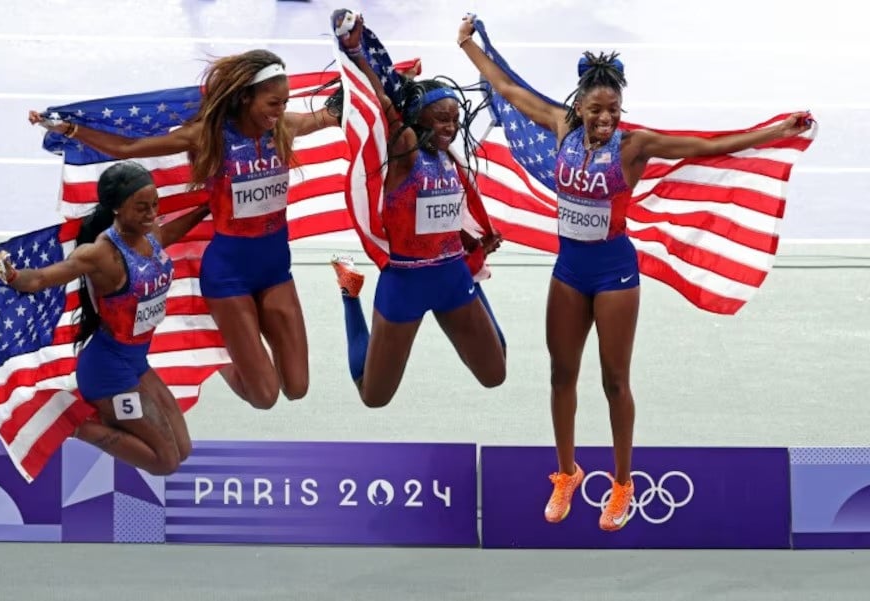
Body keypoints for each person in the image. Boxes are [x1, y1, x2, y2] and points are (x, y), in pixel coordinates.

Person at [456, 15, 813, 531]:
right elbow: (508, 87)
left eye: (613, 110)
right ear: (579, 106)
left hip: (615, 275)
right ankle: (566, 473)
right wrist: (468, 45)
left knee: (614, 380)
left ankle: (622, 484)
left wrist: (776, 130)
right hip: (569, 271)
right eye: (597, 109)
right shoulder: (561, 127)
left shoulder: (635, 145)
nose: (605, 118)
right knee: (561, 373)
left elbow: (711, 147)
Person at [29, 49, 340, 410]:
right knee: (265, 397)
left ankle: (225, 341)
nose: (280, 110)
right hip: (228, 277)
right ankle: (215, 352)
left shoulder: (284, 128)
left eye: (285, 102)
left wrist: (381, 78)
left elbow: (335, 114)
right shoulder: (209, 138)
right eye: (273, 102)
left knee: (297, 387)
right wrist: (70, 128)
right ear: (244, 97)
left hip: (275, 271)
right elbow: (131, 146)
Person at [329, 10, 507, 408]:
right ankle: (348, 293)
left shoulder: (451, 161)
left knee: (496, 374)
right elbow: (382, 102)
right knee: (373, 396)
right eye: (441, 118)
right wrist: (356, 50)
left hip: (451, 276)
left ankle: (471, 284)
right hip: (404, 282)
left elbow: (446, 214)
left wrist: (474, 246)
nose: (451, 126)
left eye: (456, 120)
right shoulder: (405, 151)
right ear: (418, 118)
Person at [0, 162, 211, 475]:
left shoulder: (149, 236)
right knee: (166, 462)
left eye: (154, 205)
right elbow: (41, 279)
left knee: (183, 448)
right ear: (117, 209)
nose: (151, 214)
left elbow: (170, 233)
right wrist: (12, 276)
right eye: (142, 208)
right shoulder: (100, 255)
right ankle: (73, 422)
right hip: (107, 372)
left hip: (136, 362)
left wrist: (206, 208)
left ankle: (106, 416)